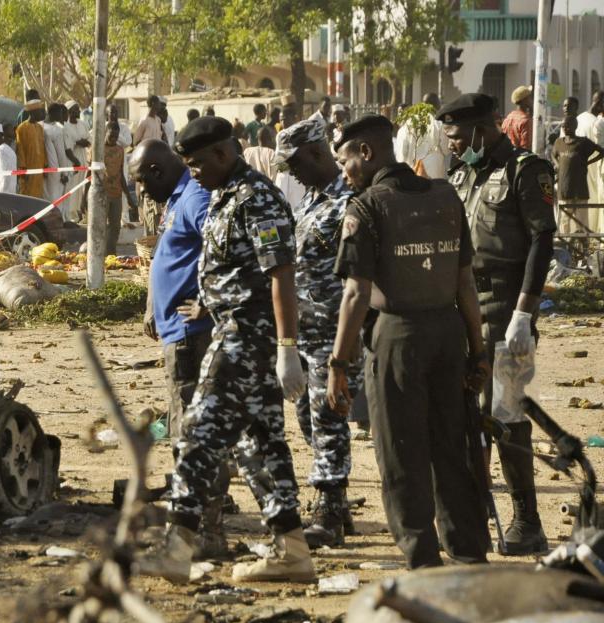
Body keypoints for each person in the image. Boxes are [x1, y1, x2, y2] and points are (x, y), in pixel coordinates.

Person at [138, 116, 312, 584]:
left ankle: (177, 548)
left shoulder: (257, 198)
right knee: (262, 444)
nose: (192, 172)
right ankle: (291, 549)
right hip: (233, 330)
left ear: (223, 154)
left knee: (196, 431)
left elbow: (281, 275)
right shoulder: (225, 194)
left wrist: (287, 348)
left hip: (246, 338)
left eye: (196, 163)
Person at [326, 113, 490, 570]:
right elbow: (465, 286)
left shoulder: (366, 208)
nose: (343, 174)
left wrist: (338, 364)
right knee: (451, 448)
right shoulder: (446, 195)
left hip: (397, 338)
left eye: (345, 162)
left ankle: (422, 557)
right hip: (448, 334)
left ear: (367, 153)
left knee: (401, 454)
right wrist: (477, 353)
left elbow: (356, 293)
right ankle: (469, 552)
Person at [440, 93, 557, 556]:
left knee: (508, 418)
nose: (450, 144)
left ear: (480, 130)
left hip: (509, 306)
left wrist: (525, 313)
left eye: (455, 136)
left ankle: (527, 521)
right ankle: (472, 518)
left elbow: (542, 240)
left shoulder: (525, 170)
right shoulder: (462, 174)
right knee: (468, 416)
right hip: (464, 306)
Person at [131, 138, 238, 557]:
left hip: (195, 336)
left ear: (157, 172)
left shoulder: (195, 198)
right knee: (183, 428)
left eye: (142, 182)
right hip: (176, 330)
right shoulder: (177, 199)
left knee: (193, 432)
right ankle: (196, 524)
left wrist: (208, 302)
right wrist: (152, 306)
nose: (140, 191)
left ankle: (204, 531)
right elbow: (170, 256)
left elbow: (226, 253)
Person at [275, 119, 359, 548]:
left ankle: (328, 509)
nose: (290, 172)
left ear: (315, 153)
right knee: (309, 420)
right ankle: (338, 500)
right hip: (307, 332)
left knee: (328, 418)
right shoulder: (310, 200)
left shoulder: (352, 201)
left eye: (293, 163)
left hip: (336, 332)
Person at [553, 115, 604, 235]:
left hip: (580, 191)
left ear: (575, 126)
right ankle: (566, 250)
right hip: (564, 191)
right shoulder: (559, 142)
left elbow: (601, 151)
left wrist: (588, 162)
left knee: (582, 226)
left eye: (568, 125)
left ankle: (583, 249)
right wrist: (558, 164)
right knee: (564, 226)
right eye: (563, 126)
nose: (565, 128)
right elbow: (553, 155)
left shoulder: (583, 142)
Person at [97, 122, 135, 252]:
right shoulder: (99, 150)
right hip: (102, 194)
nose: (113, 139)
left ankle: (111, 254)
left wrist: (129, 196)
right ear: (106, 133)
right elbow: (90, 173)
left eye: (116, 137)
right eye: (111, 136)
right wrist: (85, 197)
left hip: (117, 193)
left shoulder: (120, 150)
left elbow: (121, 174)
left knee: (115, 227)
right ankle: (100, 254)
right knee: (101, 226)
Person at [394, 93, 450, 179]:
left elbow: (401, 155)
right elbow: (446, 150)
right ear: (436, 106)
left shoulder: (407, 125)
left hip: (412, 176)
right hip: (435, 176)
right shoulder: (439, 125)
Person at [576, 91, 604, 234]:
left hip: (580, 170)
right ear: (600, 104)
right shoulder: (597, 122)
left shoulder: (578, 119)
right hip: (595, 171)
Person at [63, 101, 90, 219]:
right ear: (69, 112)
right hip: (73, 160)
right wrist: (78, 142)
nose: (79, 111)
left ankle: (80, 211)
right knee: (72, 188)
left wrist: (84, 142)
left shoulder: (83, 124)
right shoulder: (65, 126)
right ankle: (70, 215)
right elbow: (67, 144)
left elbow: (89, 139)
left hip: (83, 159)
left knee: (81, 187)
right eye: (76, 109)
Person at [15, 100, 47, 199]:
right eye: (39, 111)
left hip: (39, 169)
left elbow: (43, 148)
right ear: (31, 112)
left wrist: (46, 165)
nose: (41, 113)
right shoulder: (21, 128)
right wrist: (23, 170)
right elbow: (20, 150)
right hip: (28, 171)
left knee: (38, 197)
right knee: (27, 197)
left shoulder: (40, 128)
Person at [42, 103, 70, 207]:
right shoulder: (57, 130)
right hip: (53, 169)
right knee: (55, 200)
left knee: (43, 198)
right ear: (53, 113)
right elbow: (61, 155)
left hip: (40, 168)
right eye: (60, 113)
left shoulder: (39, 126)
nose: (61, 116)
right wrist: (65, 174)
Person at [502, 86, 533, 151]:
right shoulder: (525, 120)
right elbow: (526, 149)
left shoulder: (508, 118)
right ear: (525, 100)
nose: (531, 100)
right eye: (529, 97)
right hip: (519, 158)